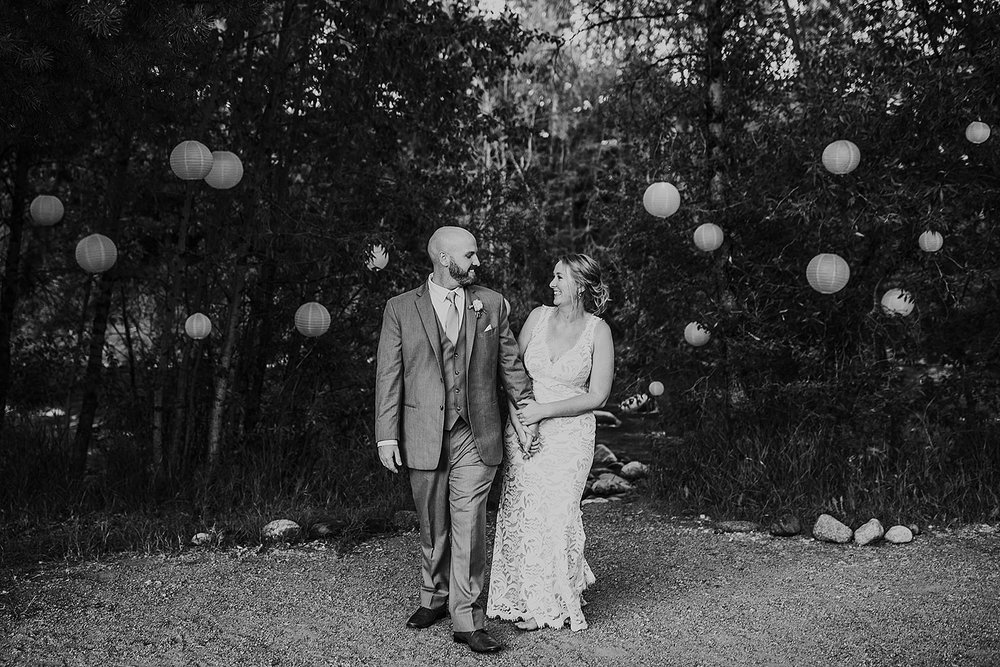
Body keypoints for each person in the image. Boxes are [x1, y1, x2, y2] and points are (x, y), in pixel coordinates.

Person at [374, 226, 535, 654]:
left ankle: (467, 618)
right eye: (470, 254)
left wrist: (528, 410)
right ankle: (434, 597)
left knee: (470, 525)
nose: (477, 261)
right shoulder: (400, 308)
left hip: (476, 432)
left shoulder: (492, 303)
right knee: (433, 523)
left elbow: (510, 364)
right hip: (422, 431)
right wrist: (386, 435)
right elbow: (389, 375)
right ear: (445, 259)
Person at [486, 253, 614, 632]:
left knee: (559, 514)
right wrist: (522, 421)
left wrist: (544, 411)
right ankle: (522, 599)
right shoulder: (537, 318)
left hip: (571, 435)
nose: (552, 284)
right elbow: (510, 374)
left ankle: (556, 600)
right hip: (524, 426)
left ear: (580, 284)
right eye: (553, 277)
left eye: (559, 278)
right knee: (524, 512)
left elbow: (598, 396)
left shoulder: (598, 331)